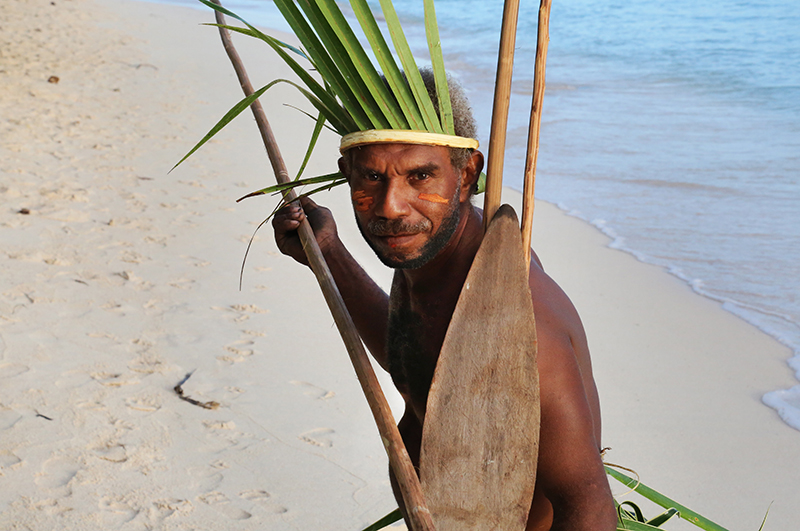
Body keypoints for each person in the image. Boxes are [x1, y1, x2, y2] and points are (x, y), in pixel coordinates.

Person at [272, 72, 617, 531]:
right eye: (372, 177)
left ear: (467, 173)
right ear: (346, 176)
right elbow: (421, 361)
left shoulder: (518, 321)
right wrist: (328, 255)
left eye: (420, 176)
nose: (391, 205)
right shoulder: (431, 259)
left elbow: (587, 507)